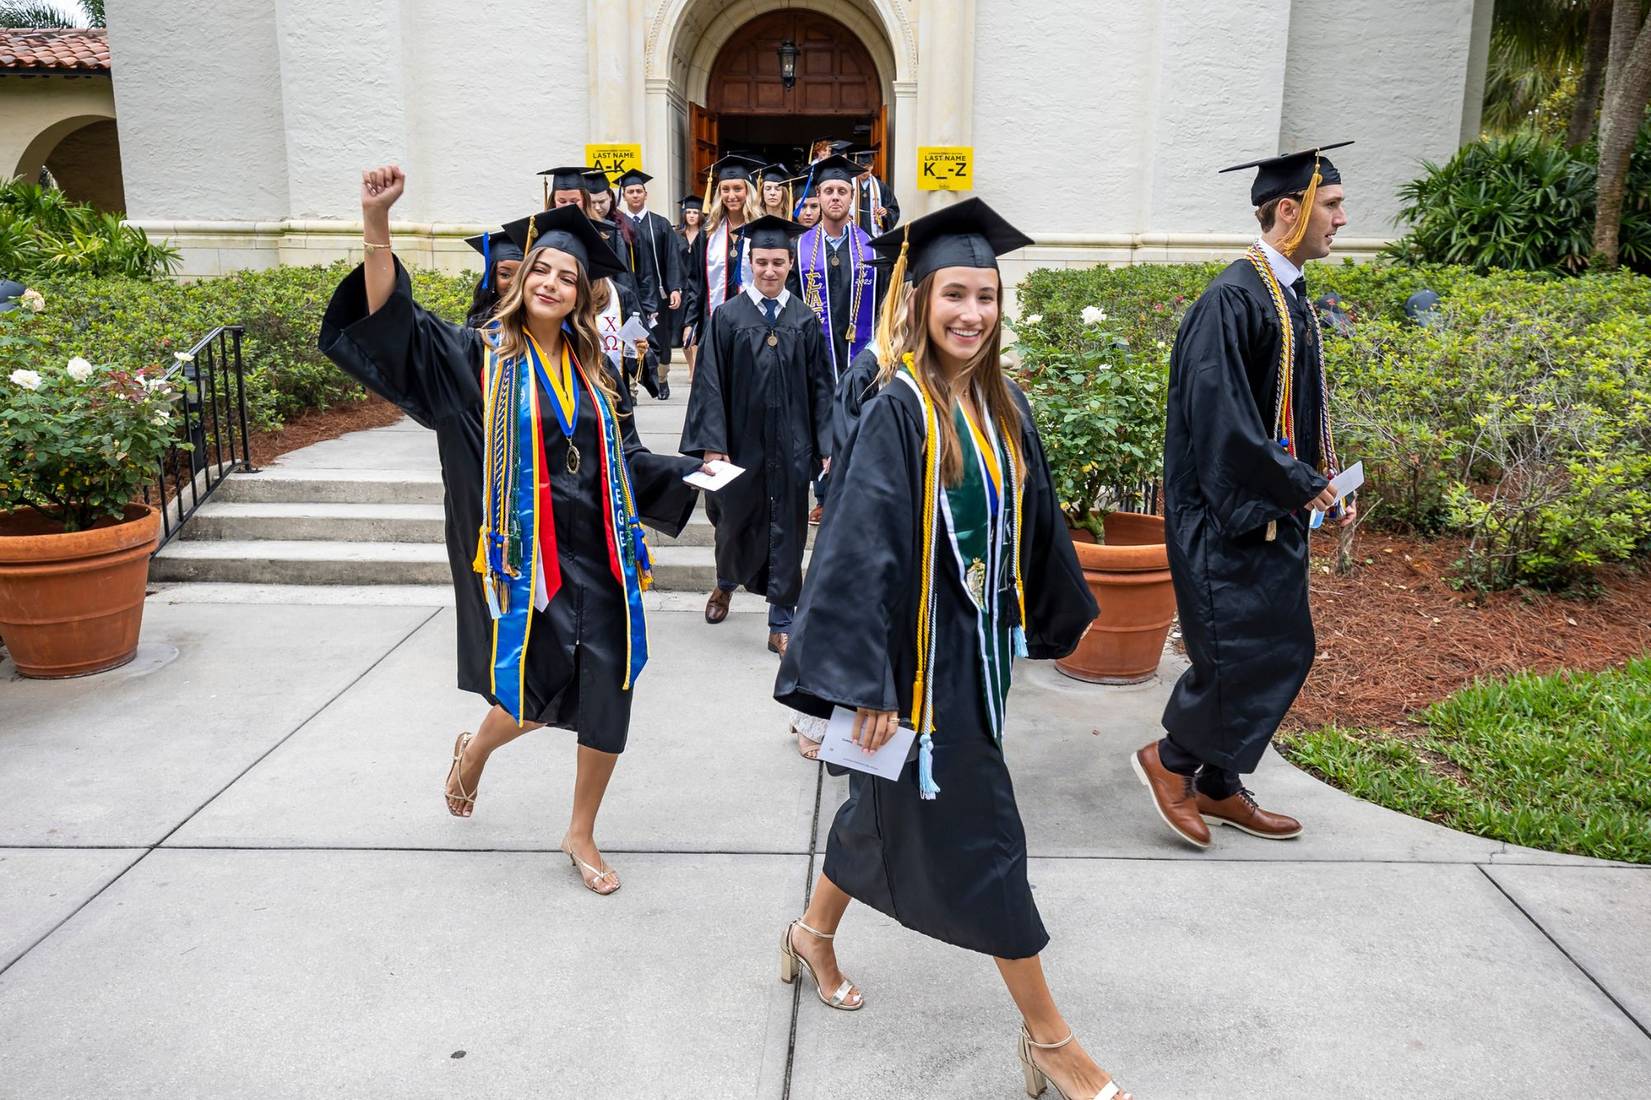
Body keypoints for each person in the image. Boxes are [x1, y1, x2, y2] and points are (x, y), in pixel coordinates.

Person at [774, 198, 1129, 1100]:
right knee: (985, 840)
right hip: (918, 673)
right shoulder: (899, 408)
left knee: (875, 807)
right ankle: (1049, 1040)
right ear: (918, 298)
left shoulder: (999, 406)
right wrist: (869, 681)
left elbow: (1035, 520)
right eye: (955, 295)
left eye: (987, 296)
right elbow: (861, 549)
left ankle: (811, 932)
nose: (972, 313)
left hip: (976, 662)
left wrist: (1048, 613)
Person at [320, 168, 704, 896]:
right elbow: (394, 325)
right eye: (543, 270)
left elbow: (618, 458)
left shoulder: (596, 369)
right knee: (533, 688)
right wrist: (376, 227)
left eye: (568, 275)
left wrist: (692, 472)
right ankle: (473, 754)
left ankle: (580, 830)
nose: (553, 283)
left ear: (585, 293)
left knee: (610, 687)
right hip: (532, 559)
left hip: (603, 554)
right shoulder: (479, 357)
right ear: (522, 276)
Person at [1132, 143, 1357, 850]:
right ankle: (1170, 762)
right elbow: (1222, 421)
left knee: (1281, 644)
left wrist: (1321, 481)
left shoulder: (1281, 293)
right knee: (1238, 653)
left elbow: (1288, 410)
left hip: (1268, 509)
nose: (1341, 220)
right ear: (1287, 210)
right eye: (1330, 205)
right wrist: (1300, 483)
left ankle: (1220, 783)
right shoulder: (1232, 298)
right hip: (1224, 516)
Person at [680, 215, 833, 657]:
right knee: (731, 523)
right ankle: (726, 583)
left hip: (791, 444)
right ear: (749, 262)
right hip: (738, 444)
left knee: (788, 528)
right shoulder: (727, 316)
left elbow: (821, 386)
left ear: (790, 265)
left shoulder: (804, 320)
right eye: (762, 261)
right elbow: (708, 383)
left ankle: (781, 620)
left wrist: (826, 444)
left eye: (778, 263)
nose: (769, 270)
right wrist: (712, 444)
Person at [790, 152, 881, 526]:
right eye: (828, 191)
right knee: (820, 420)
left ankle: (855, 492)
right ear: (819, 197)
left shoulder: (873, 247)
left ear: (851, 197)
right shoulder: (798, 248)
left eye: (842, 191)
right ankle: (824, 496)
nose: (835, 198)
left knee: (859, 419)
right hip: (818, 353)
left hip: (859, 352)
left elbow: (885, 301)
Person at [615, 168, 684, 399]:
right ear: (624, 196)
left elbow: (672, 257)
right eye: (630, 191)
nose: (635, 195)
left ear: (645, 194)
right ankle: (632, 387)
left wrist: (675, 288)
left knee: (661, 339)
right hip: (631, 291)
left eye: (638, 191)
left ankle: (661, 378)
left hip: (659, 292)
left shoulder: (660, 224)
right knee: (631, 337)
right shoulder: (619, 225)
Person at [686, 153, 765, 343]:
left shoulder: (761, 230)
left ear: (748, 191)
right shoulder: (708, 233)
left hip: (755, 322)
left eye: (737, 188)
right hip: (713, 319)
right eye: (725, 189)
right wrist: (690, 322)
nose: (731, 196)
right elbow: (695, 282)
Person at [462, 228, 523, 328]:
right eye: (505, 275)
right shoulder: (478, 321)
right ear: (492, 278)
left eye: (522, 275)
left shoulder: (542, 320)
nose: (513, 283)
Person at [675, 195, 706, 382]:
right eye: (689, 212)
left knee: (695, 327)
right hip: (681, 289)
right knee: (683, 331)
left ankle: (695, 369)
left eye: (695, 212)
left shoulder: (705, 235)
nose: (692, 215)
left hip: (697, 287)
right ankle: (690, 366)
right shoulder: (676, 235)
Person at [848, 146, 900, 234]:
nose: (864, 171)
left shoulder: (881, 187)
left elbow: (894, 210)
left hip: (874, 235)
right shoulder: (848, 185)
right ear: (855, 166)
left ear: (872, 166)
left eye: (867, 168)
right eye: (861, 168)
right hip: (853, 233)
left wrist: (886, 213)